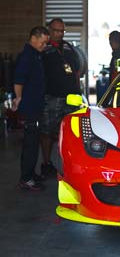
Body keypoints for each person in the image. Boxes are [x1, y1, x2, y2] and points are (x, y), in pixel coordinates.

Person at [40, 18, 81, 176]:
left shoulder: (69, 48)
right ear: (49, 30)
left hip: (71, 97)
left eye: (62, 31)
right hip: (51, 97)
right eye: (56, 30)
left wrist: (78, 91)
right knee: (47, 131)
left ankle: (69, 164)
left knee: (70, 132)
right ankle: (46, 163)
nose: (59, 34)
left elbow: (76, 71)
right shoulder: (44, 48)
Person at [13, 26, 50, 190]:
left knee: (34, 142)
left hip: (37, 106)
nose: (44, 46)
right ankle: (26, 178)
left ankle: (30, 173)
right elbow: (19, 80)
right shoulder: (27, 56)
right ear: (33, 39)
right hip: (29, 107)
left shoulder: (37, 55)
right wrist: (18, 98)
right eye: (42, 43)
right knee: (30, 143)